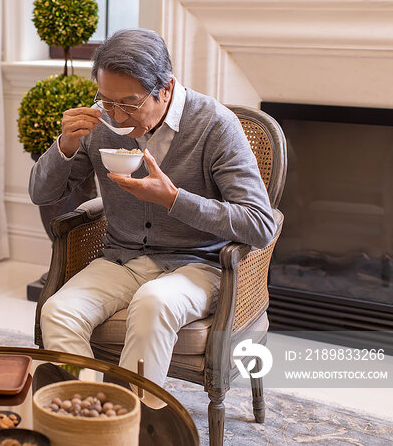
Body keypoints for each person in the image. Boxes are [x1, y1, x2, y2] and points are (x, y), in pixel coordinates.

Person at [29, 28, 276, 391]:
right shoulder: (101, 123)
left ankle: (136, 424)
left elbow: (259, 224)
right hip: (122, 259)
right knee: (58, 311)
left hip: (198, 265)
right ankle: (90, 417)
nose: (114, 114)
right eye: (105, 100)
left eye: (127, 103)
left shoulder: (215, 125)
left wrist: (173, 199)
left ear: (165, 88)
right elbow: (41, 193)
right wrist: (64, 145)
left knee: (153, 302)